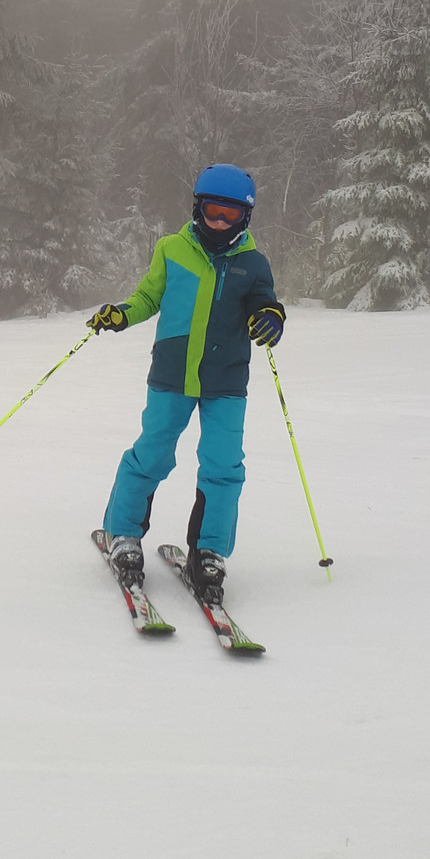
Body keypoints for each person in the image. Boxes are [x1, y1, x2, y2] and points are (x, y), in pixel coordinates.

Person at [90, 162, 285, 608]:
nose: (219, 223)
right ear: (198, 208)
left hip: (227, 380)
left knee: (224, 466)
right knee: (152, 454)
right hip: (172, 375)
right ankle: (124, 534)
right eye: (213, 211)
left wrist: (270, 316)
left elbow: (265, 302)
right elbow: (147, 297)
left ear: (246, 217)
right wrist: (121, 314)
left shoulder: (253, 263)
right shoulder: (171, 249)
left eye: (230, 215)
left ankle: (209, 552)